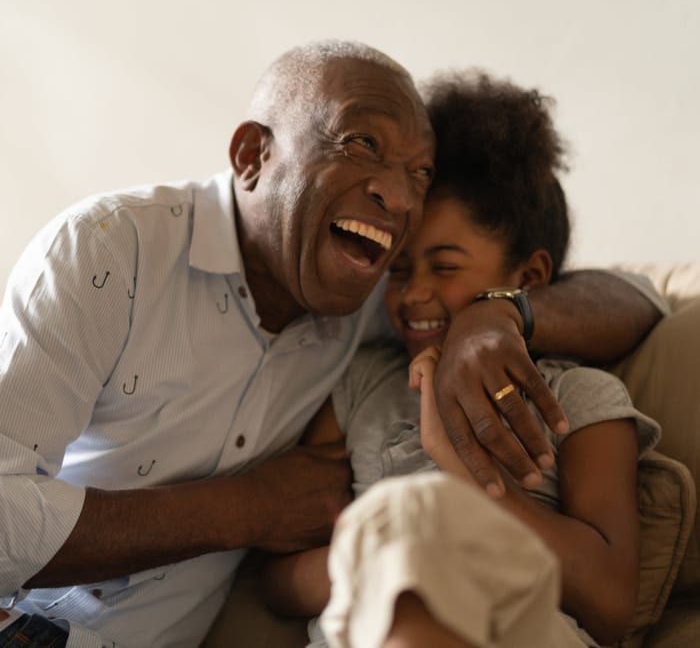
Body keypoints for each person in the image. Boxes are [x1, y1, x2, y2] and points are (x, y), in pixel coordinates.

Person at [0, 41, 662, 647]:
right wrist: (247, 510)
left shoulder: (374, 290)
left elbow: (644, 297)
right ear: (252, 156)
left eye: (420, 172)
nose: (399, 197)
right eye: (362, 143)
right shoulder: (108, 251)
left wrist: (498, 315)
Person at [259, 71, 662, 648]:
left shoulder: (577, 395)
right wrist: (390, 551)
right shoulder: (360, 382)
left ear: (529, 278)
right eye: (398, 269)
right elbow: (275, 580)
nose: (414, 293)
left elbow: (609, 604)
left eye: (445, 267)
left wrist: (462, 469)